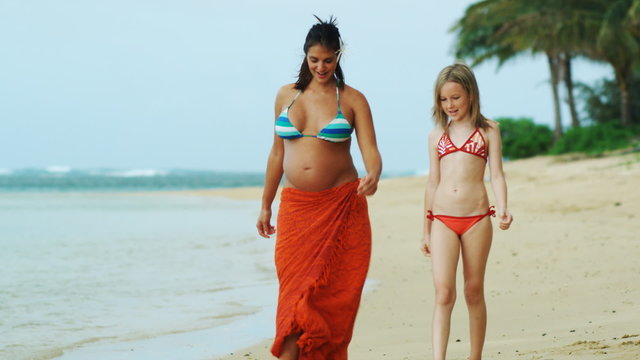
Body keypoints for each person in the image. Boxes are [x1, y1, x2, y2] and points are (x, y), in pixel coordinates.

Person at [256, 16, 382, 360]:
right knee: (294, 300)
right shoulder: (286, 95)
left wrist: (374, 173)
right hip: (296, 210)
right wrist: (266, 205)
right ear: (305, 57)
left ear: (338, 56)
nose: (321, 66)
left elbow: (370, 149)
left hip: (341, 208)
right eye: (314, 60)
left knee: (328, 300)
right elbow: (277, 153)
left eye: (328, 60)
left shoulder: (353, 99)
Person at [421, 63, 513, 360]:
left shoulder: (489, 130)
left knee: (474, 291)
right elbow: (432, 182)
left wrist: (503, 208)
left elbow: (496, 174)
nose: (450, 105)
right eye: (444, 100)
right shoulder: (437, 135)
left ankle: (475, 357)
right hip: (443, 221)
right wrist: (425, 228)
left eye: (456, 98)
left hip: (476, 219)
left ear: (471, 94)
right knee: (444, 293)